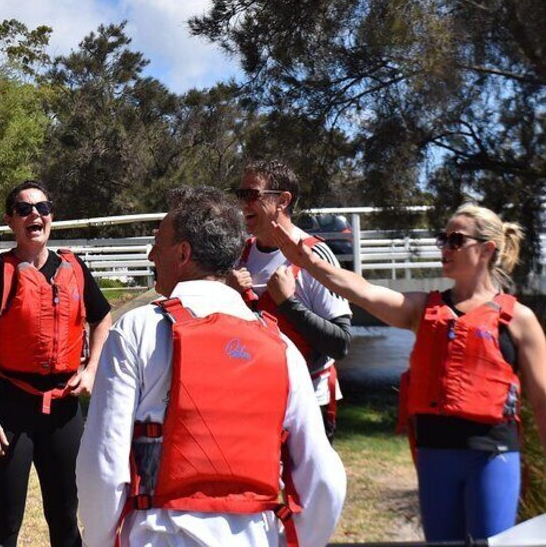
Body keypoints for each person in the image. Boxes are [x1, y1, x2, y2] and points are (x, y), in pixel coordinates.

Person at [270, 202, 546, 541]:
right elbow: (361, 290)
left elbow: (545, 401)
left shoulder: (519, 320)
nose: (445, 247)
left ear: (487, 249)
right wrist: (309, 263)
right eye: (442, 238)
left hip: (493, 457)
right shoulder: (422, 309)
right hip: (435, 453)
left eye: (456, 240)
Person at [77, 186, 346, 547]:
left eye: (159, 243)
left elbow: (103, 465)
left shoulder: (136, 330)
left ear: (184, 253)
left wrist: (100, 540)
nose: (151, 254)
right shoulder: (280, 346)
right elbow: (325, 479)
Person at [0, 179, 112, 547]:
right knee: (5, 519)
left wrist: (91, 368)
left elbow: (102, 318)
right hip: (9, 407)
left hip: (63, 410)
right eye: (25, 209)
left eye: (42, 208)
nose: (35, 215)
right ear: (10, 220)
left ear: (51, 217)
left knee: (64, 515)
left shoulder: (74, 269)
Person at [229, 160, 352, 441]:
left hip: (307, 404)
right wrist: (229, 293)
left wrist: (288, 304)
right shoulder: (239, 255)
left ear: (283, 200)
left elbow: (340, 343)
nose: (241, 205)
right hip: (255, 402)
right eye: (239, 195)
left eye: (251, 195)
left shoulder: (314, 256)